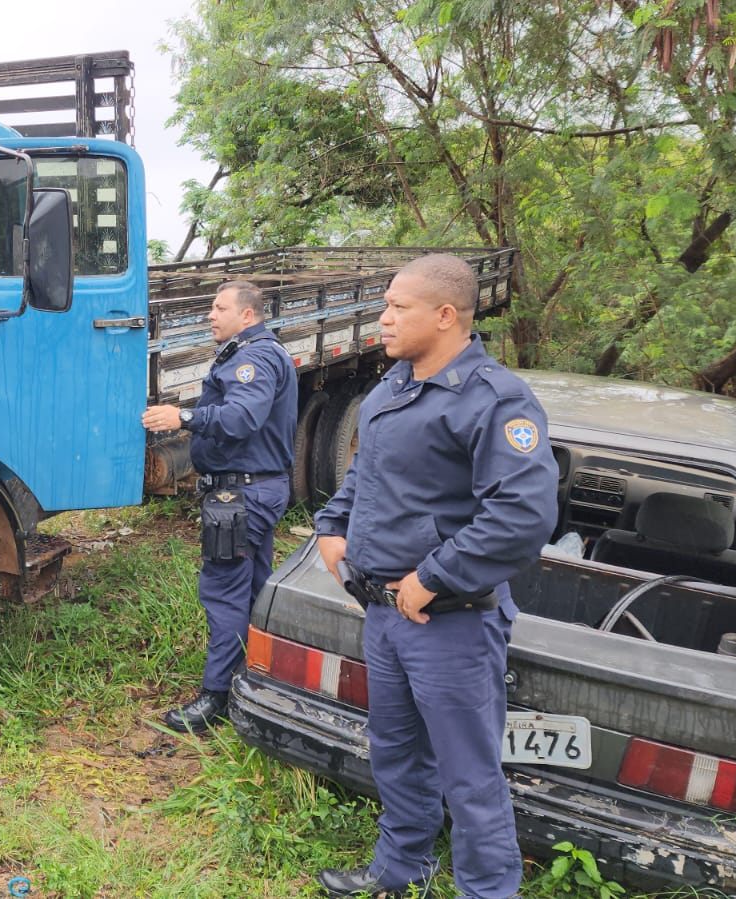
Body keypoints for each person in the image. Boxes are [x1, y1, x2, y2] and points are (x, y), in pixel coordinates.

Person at [310, 254, 558, 899]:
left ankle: (487, 890)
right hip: (385, 615)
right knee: (394, 751)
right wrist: (332, 525)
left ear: (445, 316)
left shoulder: (495, 399)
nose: (384, 319)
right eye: (385, 306)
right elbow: (369, 473)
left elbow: (522, 515)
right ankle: (400, 873)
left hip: (449, 622)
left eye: (398, 307)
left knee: (470, 776)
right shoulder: (395, 385)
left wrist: (435, 576)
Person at [142, 280, 297, 733]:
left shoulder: (254, 357)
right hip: (254, 490)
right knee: (253, 586)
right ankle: (258, 677)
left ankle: (217, 699)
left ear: (247, 315)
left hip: (242, 496)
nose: (210, 314)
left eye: (218, 307)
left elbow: (243, 417)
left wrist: (185, 417)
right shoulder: (253, 351)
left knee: (224, 591)